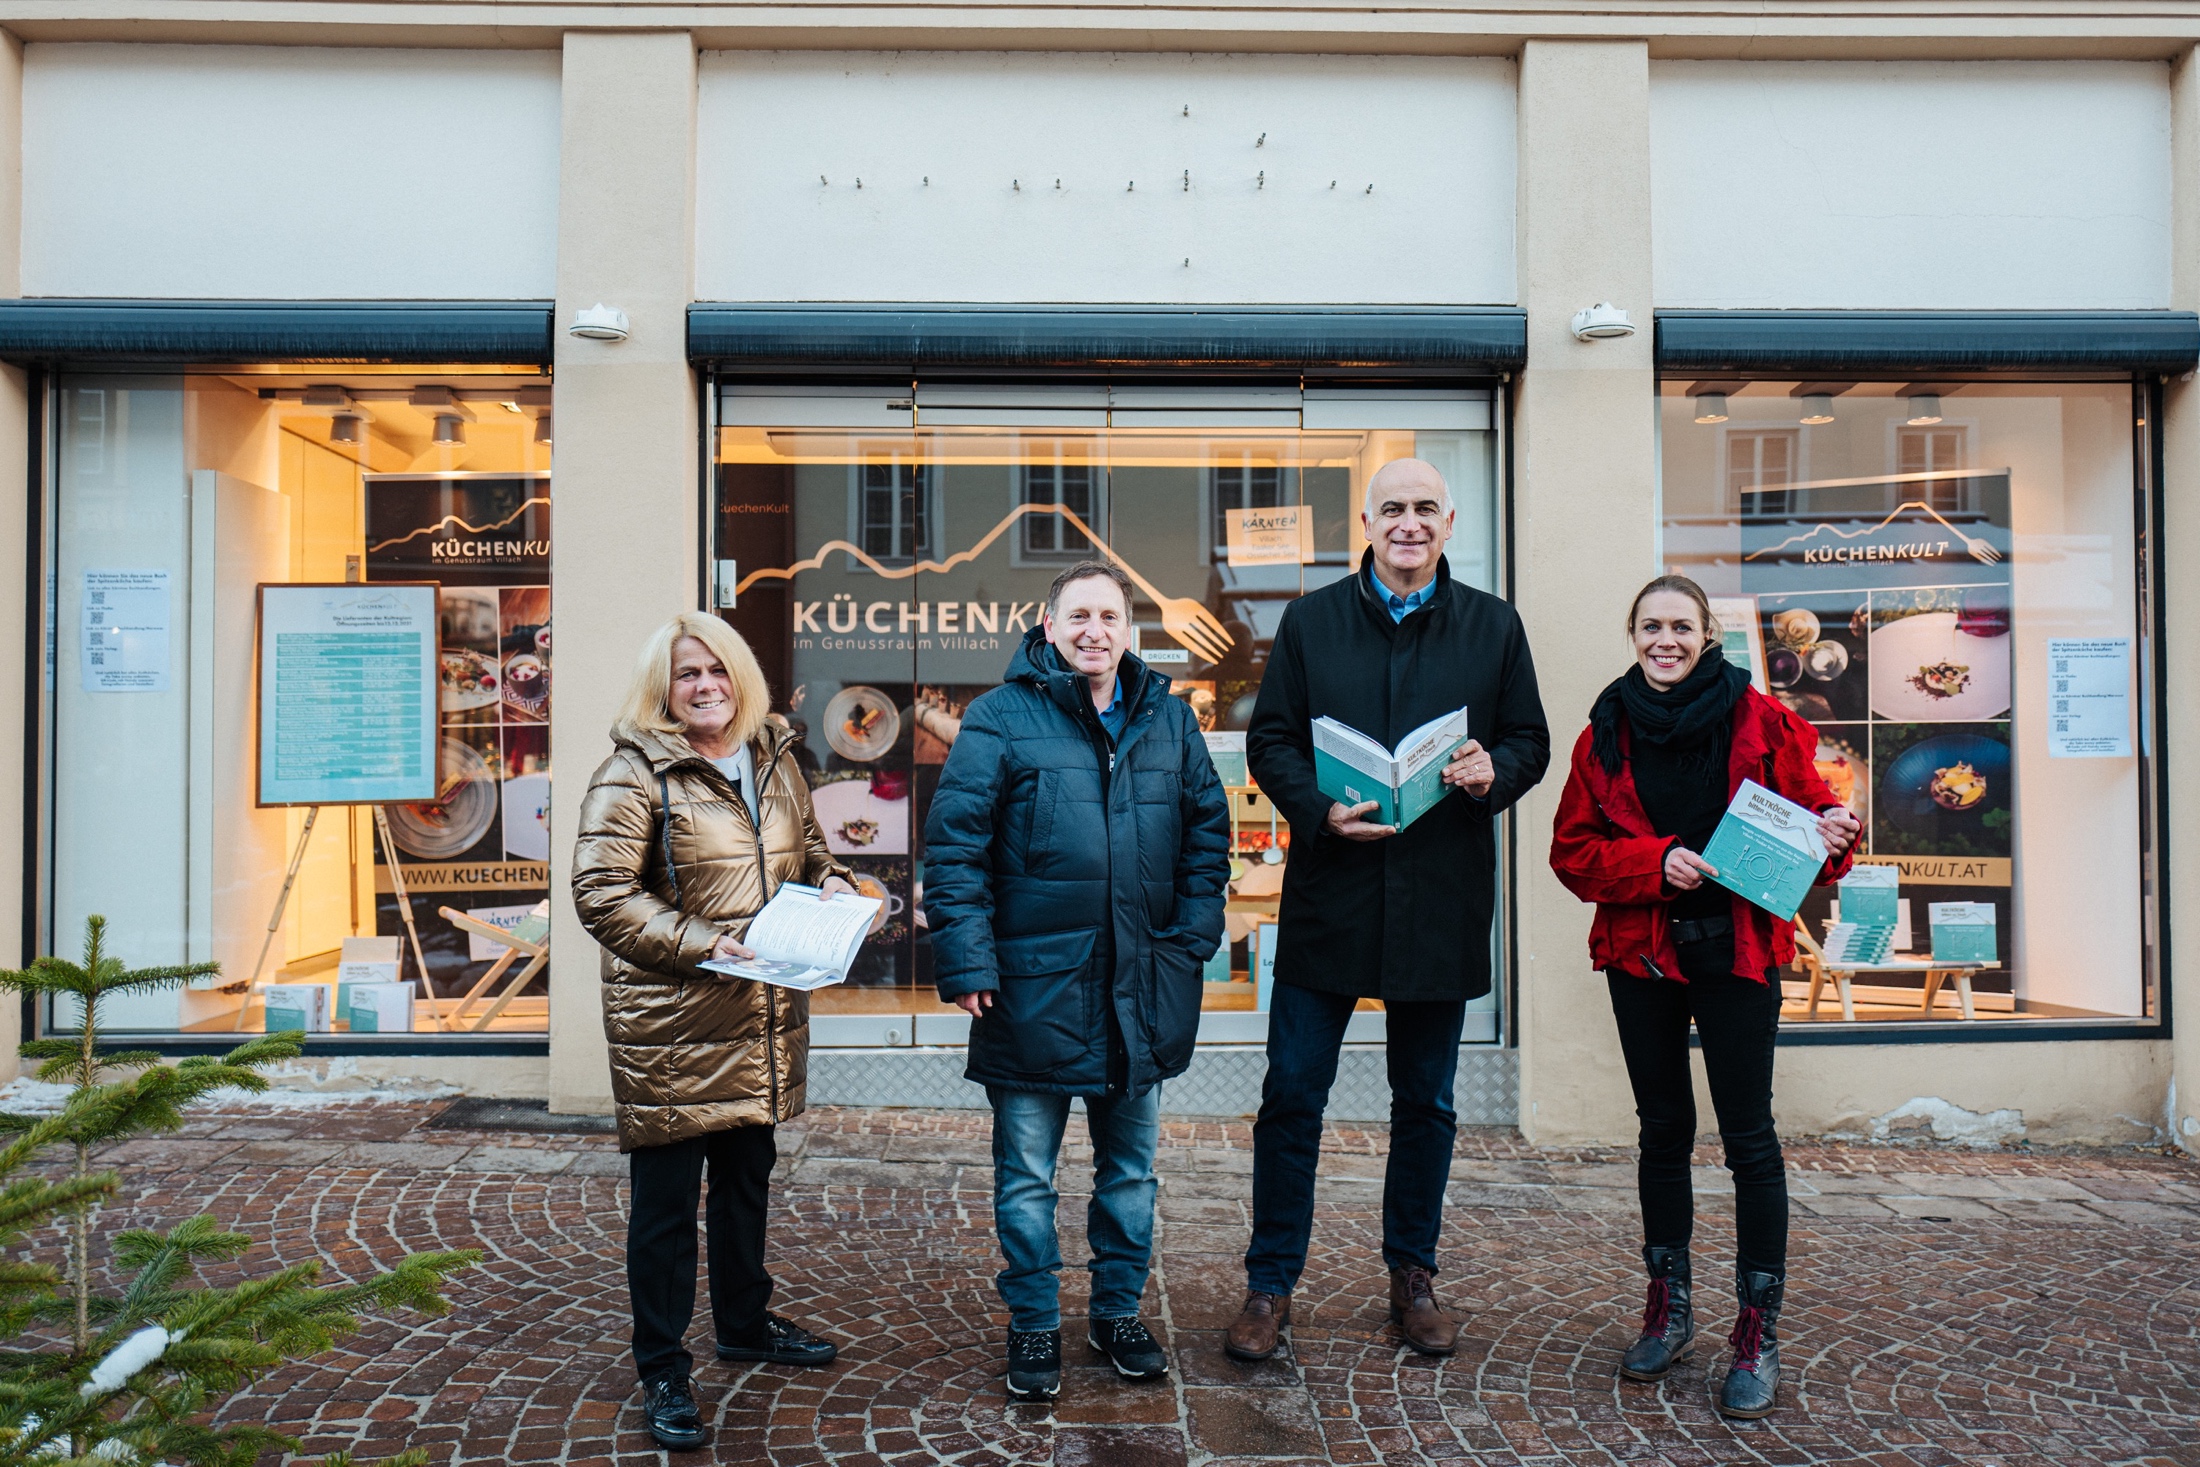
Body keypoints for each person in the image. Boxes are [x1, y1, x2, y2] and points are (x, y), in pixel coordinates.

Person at [1230, 458, 1550, 1362]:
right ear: (1365, 523)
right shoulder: (1311, 620)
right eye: (1391, 510)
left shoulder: (1493, 626)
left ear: (1448, 521)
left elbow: (1530, 739)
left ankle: (1413, 1275)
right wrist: (1317, 808)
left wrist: (1498, 770)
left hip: (1439, 893)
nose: (1408, 524)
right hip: (1333, 888)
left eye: (1423, 510)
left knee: (1428, 1101)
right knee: (1292, 1094)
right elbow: (1271, 739)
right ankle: (1270, 1281)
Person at [1549, 575, 1859, 1420]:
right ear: (1633, 632)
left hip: (1738, 957)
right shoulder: (1603, 731)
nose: (1666, 641)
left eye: (1680, 627)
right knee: (1662, 1130)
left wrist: (1835, 830)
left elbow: (1815, 825)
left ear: (1706, 633)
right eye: (1651, 626)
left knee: (1749, 1138)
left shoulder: (1765, 720)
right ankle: (1670, 1307)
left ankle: (1756, 1330)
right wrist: (1654, 864)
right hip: (1642, 955)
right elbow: (1572, 853)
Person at [924, 561, 1231, 1402]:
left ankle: (1116, 1311)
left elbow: (1210, 832)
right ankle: (1032, 1322)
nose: (1095, 629)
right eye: (1079, 615)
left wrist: (1191, 938)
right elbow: (954, 849)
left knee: (1130, 1172)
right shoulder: (999, 718)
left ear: (1129, 628)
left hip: (1140, 988)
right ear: (1048, 625)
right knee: (1027, 1174)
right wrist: (968, 959)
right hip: (1032, 987)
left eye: (1110, 614)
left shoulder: (1168, 719)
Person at [572, 612, 858, 1451]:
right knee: (665, 1207)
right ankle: (662, 1363)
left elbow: (807, 852)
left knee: (746, 1177)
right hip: (672, 1023)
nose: (704, 687)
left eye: (717, 671)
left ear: (742, 677)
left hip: (760, 1012)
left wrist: (837, 886)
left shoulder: (774, 756)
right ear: (661, 688)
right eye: (686, 674)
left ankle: (743, 1320)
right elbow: (601, 892)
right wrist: (705, 943)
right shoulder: (633, 772)